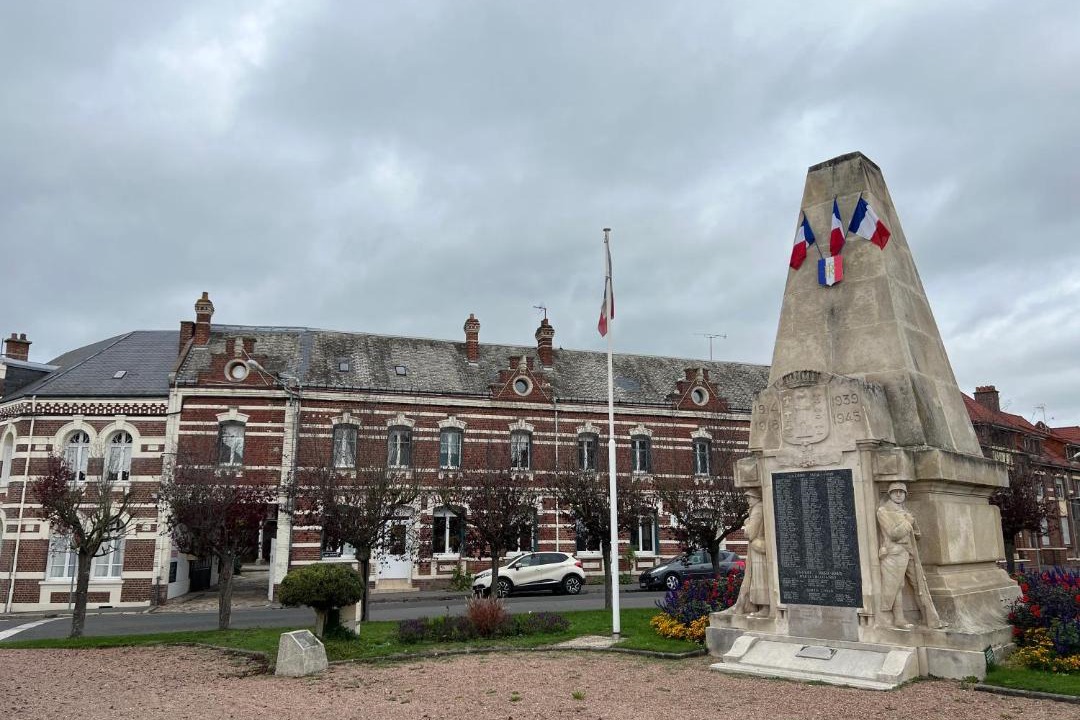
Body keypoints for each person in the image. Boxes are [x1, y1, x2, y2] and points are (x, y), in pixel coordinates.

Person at [876, 482, 945, 629]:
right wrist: (908, 522)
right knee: (896, 585)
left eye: (902, 492)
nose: (899, 494)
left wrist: (911, 525)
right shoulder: (884, 511)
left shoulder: (906, 511)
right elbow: (894, 534)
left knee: (919, 583)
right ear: (890, 494)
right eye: (895, 492)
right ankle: (899, 619)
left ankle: (930, 619)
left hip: (909, 551)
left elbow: (917, 534)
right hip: (893, 553)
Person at [730, 488, 769, 618]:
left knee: (760, 578)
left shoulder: (758, 509)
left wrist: (746, 524)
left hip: (758, 547)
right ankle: (755, 605)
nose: (748, 501)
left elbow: (751, 533)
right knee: (755, 578)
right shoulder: (757, 508)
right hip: (757, 547)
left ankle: (764, 608)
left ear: (756, 497)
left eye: (749, 498)